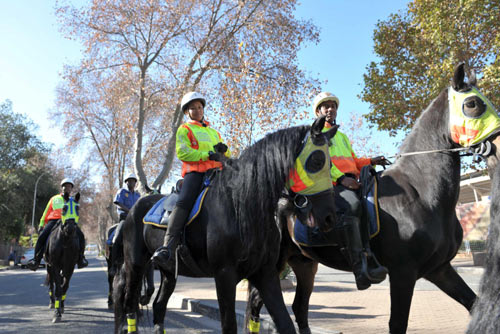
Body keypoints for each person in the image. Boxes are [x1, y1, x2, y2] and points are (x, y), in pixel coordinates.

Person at [313, 91, 389, 290]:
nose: (331, 109)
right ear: (318, 112)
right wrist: (341, 178)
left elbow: (353, 161)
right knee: (353, 205)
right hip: (331, 185)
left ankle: (373, 252)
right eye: (326, 106)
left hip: (349, 180)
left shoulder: (343, 137)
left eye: (334, 106)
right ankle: (359, 269)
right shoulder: (316, 134)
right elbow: (320, 162)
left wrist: (371, 161)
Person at [152, 91, 230, 271]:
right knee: (184, 202)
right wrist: (207, 154)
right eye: (193, 108)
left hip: (217, 173)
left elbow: (226, 154)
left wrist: (224, 151)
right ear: (187, 112)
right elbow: (183, 152)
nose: (197, 110)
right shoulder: (184, 129)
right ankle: (167, 247)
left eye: (200, 107)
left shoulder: (214, 132)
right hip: (195, 174)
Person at [27, 178, 88, 271]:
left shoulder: (73, 200)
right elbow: (46, 212)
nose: (67, 188)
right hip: (54, 221)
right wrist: (41, 224)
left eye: (69, 186)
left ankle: (81, 258)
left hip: (68, 222)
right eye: (65, 186)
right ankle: (36, 260)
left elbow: (75, 213)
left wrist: (75, 222)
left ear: (71, 188)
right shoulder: (54, 199)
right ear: (62, 188)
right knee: (42, 237)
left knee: (81, 236)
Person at [109, 173, 141, 275]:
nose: (131, 182)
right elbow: (118, 202)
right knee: (116, 238)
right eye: (129, 181)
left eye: (133, 181)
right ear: (126, 182)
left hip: (135, 220)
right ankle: (113, 265)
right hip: (124, 219)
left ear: (135, 183)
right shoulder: (122, 192)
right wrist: (129, 211)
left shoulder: (137, 195)